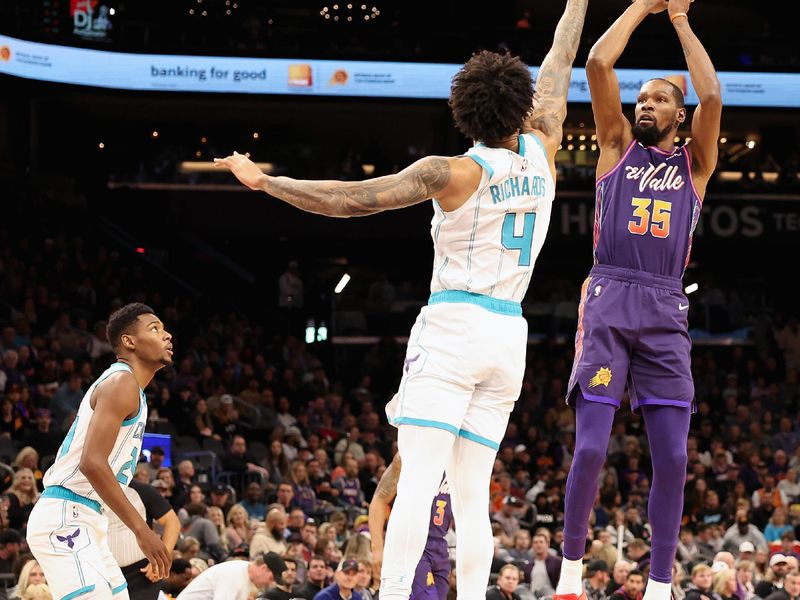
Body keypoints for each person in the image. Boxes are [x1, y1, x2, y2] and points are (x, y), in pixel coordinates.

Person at [215, 0, 589, 596]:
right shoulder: (544, 146)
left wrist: (266, 182)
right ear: (521, 105)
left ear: (465, 115)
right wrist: (576, 4)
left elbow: (348, 199)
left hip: (454, 323)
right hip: (508, 333)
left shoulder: (452, 173)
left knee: (419, 479)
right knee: (472, 492)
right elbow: (559, 60)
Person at [555, 2, 722, 600]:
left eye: (657, 100)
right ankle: (570, 572)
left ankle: (659, 584)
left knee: (674, 458)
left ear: (680, 114)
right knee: (594, 445)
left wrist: (680, 22)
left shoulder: (695, 162)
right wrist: (643, 6)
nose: (644, 105)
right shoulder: (614, 145)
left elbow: (713, 95)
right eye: (641, 99)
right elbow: (599, 60)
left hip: (665, 309)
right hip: (609, 296)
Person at [26, 303, 173, 599]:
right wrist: (142, 531)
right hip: (66, 513)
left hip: (90, 518)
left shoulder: (133, 390)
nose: (167, 335)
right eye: (155, 328)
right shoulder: (122, 382)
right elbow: (92, 463)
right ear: (129, 342)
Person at [369, 454, 452, 600]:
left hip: (440, 545)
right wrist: (377, 548)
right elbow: (380, 498)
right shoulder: (410, 451)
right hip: (412, 540)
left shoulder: (461, 456)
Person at [106, 479, 181, 600]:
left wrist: (160, 561)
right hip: (104, 572)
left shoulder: (141, 490)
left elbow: (172, 522)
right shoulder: (85, 489)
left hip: (141, 573)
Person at [176, 552, 286, 600]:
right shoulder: (233, 574)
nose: (269, 583)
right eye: (271, 578)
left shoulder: (244, 573)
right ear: (263, 569)